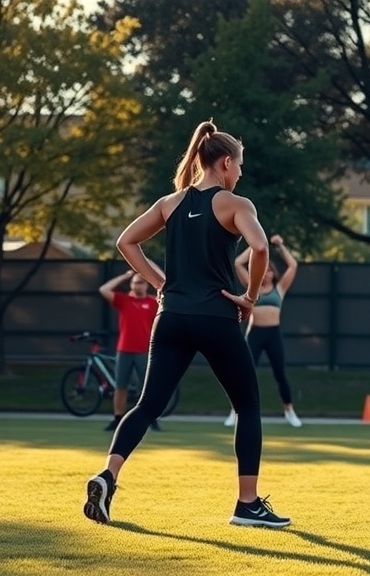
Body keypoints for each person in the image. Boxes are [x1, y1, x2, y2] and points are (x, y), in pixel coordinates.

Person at [83, 120, 290, 529]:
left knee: (147, 405)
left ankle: (108, 475)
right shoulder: (236, 204)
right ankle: (247, 504)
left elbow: (126, 242)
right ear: (225, 162)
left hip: (171, 318)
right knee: (247, 406)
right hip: (216, 317)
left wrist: (161, 283)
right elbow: (261, 247)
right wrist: (249, 298)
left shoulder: (169, 203)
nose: (240, 173)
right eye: (240, 165)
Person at [225, 234, 301, 427]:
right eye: (263, 270)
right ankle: (235, 411)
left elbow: (293, 266)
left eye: (269, 271)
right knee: (244, 373)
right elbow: (238, 263)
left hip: (273, 334)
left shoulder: (279, 289)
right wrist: (255, 245)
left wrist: (280, 246)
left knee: (280, 374)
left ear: (273, 274)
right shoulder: (253, 287)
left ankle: (289, 410)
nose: (266, 273)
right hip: (255, 334)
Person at [98, 269, 162, 432]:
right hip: (124, 350)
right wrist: (125, 276)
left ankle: (151, 418)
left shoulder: (153, 302)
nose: (137, 285)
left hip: (144, 351)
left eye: (141, 282)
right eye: (134, 283)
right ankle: (118, 418)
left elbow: (165, 292)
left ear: (146, 285)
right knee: (120, 386)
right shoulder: (124, 300)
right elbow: (104, 289)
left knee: (148, 387)